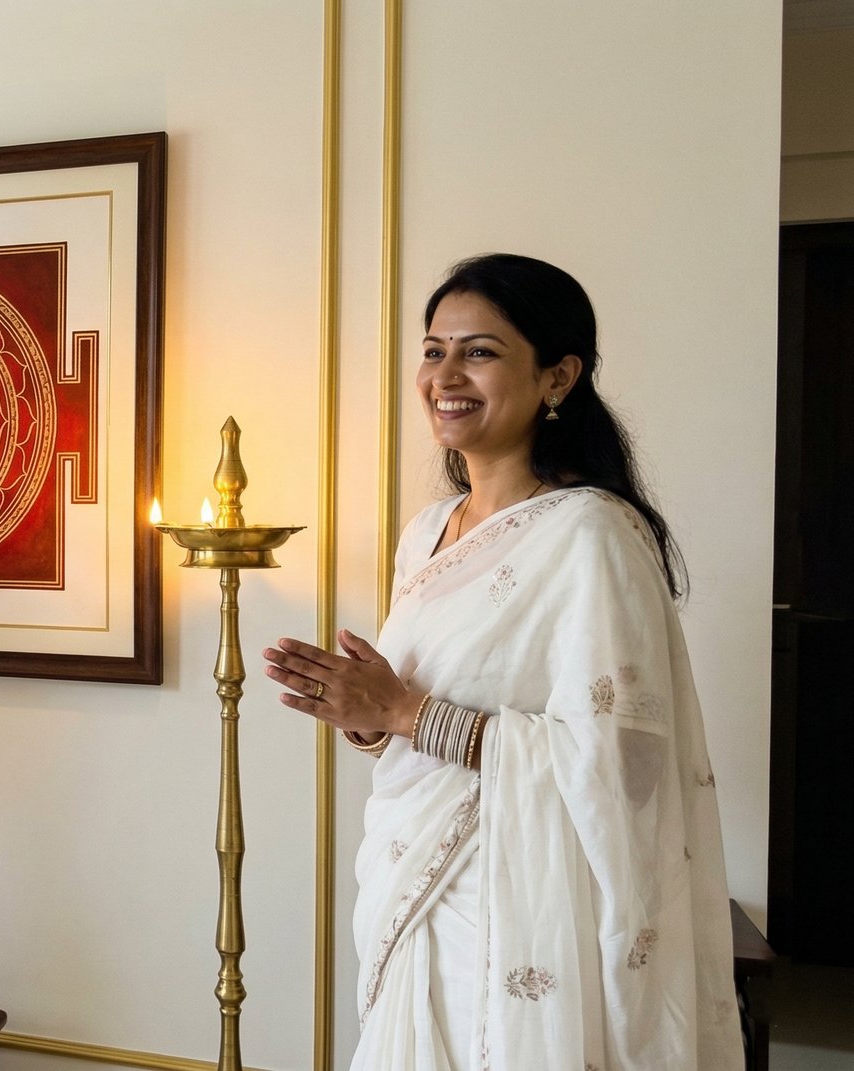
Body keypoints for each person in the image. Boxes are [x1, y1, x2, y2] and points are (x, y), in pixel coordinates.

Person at [262, 254, 740, 1069]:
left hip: (513, 911)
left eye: (479, 351)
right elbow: (423, 719)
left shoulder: (590, 534)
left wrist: (404, 713)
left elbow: (623, 760)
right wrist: (368, 717)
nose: (444, 375)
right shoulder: (429, 529)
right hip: (411, 882)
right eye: (433, 350)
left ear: (559, 376)